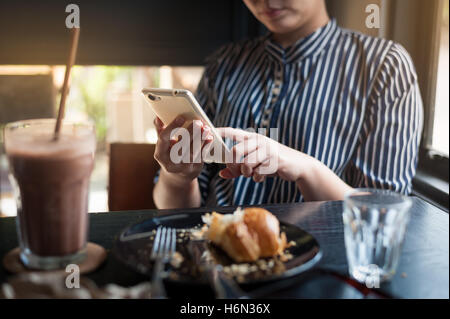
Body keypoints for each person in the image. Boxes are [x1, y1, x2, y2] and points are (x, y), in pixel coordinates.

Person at [153, 0, 423, 209]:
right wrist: (177, 175)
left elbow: (385, 211)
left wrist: (307, 169)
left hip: (324, 267)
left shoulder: (384, 66)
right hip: (214, 258)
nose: (265, 2)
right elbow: (174, 209)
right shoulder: (223, 64)